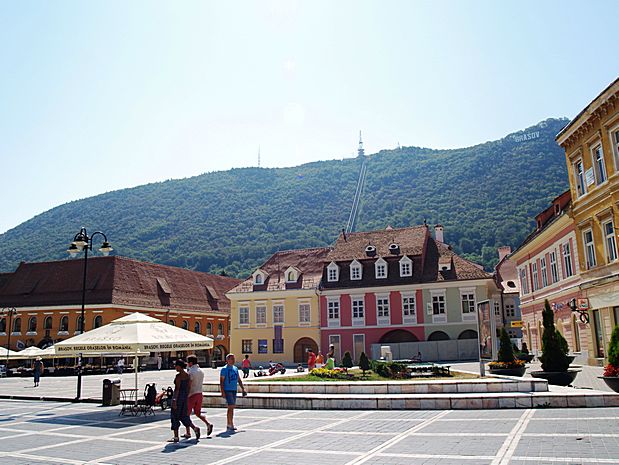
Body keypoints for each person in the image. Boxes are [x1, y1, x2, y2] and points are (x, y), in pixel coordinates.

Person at [169, 359, 200, 443]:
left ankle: (176, 437)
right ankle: (194, 428)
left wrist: (174, 400)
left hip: (178, 398)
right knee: (184, 416)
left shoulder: (178, 376)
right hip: (185, 397)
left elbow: (177, 389)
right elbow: (189, 387)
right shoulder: (187, 375)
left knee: (175, 417)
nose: (175, 367)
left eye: (176, 365)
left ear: (180, 366)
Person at [184, 355, 213, 438]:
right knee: (198, 413)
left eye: (188, 362)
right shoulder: (201, 371)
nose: (187, 364)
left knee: (186, 415)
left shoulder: (191, 372)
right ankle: (208, 424)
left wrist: (186, 395)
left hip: (192, 394)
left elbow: (189, 385)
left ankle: (189, 432)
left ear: (191, 363)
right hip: (200, 393)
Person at [220, 354, 246, 433]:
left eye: (234, 358)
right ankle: (229, 424)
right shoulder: (224, 369)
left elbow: (238, 379)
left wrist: (243, 389)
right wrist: (222, 392)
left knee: (232, 407)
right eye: (231, 359)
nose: (233, 360)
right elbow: (221, 381)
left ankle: (230, 423)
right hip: (227, 390)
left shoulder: (235, 368)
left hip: (234, 389)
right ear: (227, 360)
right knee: (231, 406)